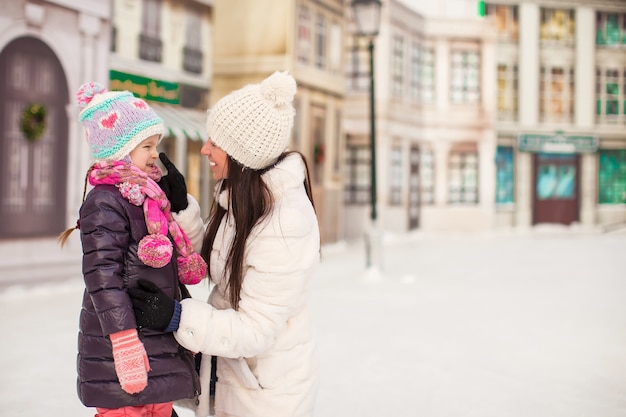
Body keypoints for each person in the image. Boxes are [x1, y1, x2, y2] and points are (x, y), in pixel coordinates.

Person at [128, 71, 321, 417]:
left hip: (264, 396)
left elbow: (256, 329)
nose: (205, 150)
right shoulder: (243, 199)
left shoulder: (284, 222)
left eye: (214, 143)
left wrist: (176, 317)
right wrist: (182, 208)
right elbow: (218, 263)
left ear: (241, 153)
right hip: (231, 375)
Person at [58, 82, 207, 417]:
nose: (155, 153)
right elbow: (102, 277)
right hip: (123, 352)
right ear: (120, 149)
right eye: (146, 145)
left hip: (156, 344)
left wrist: (180, 203)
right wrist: (123, 340)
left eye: (156, 144)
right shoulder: (105, 202)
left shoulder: (150, 198)